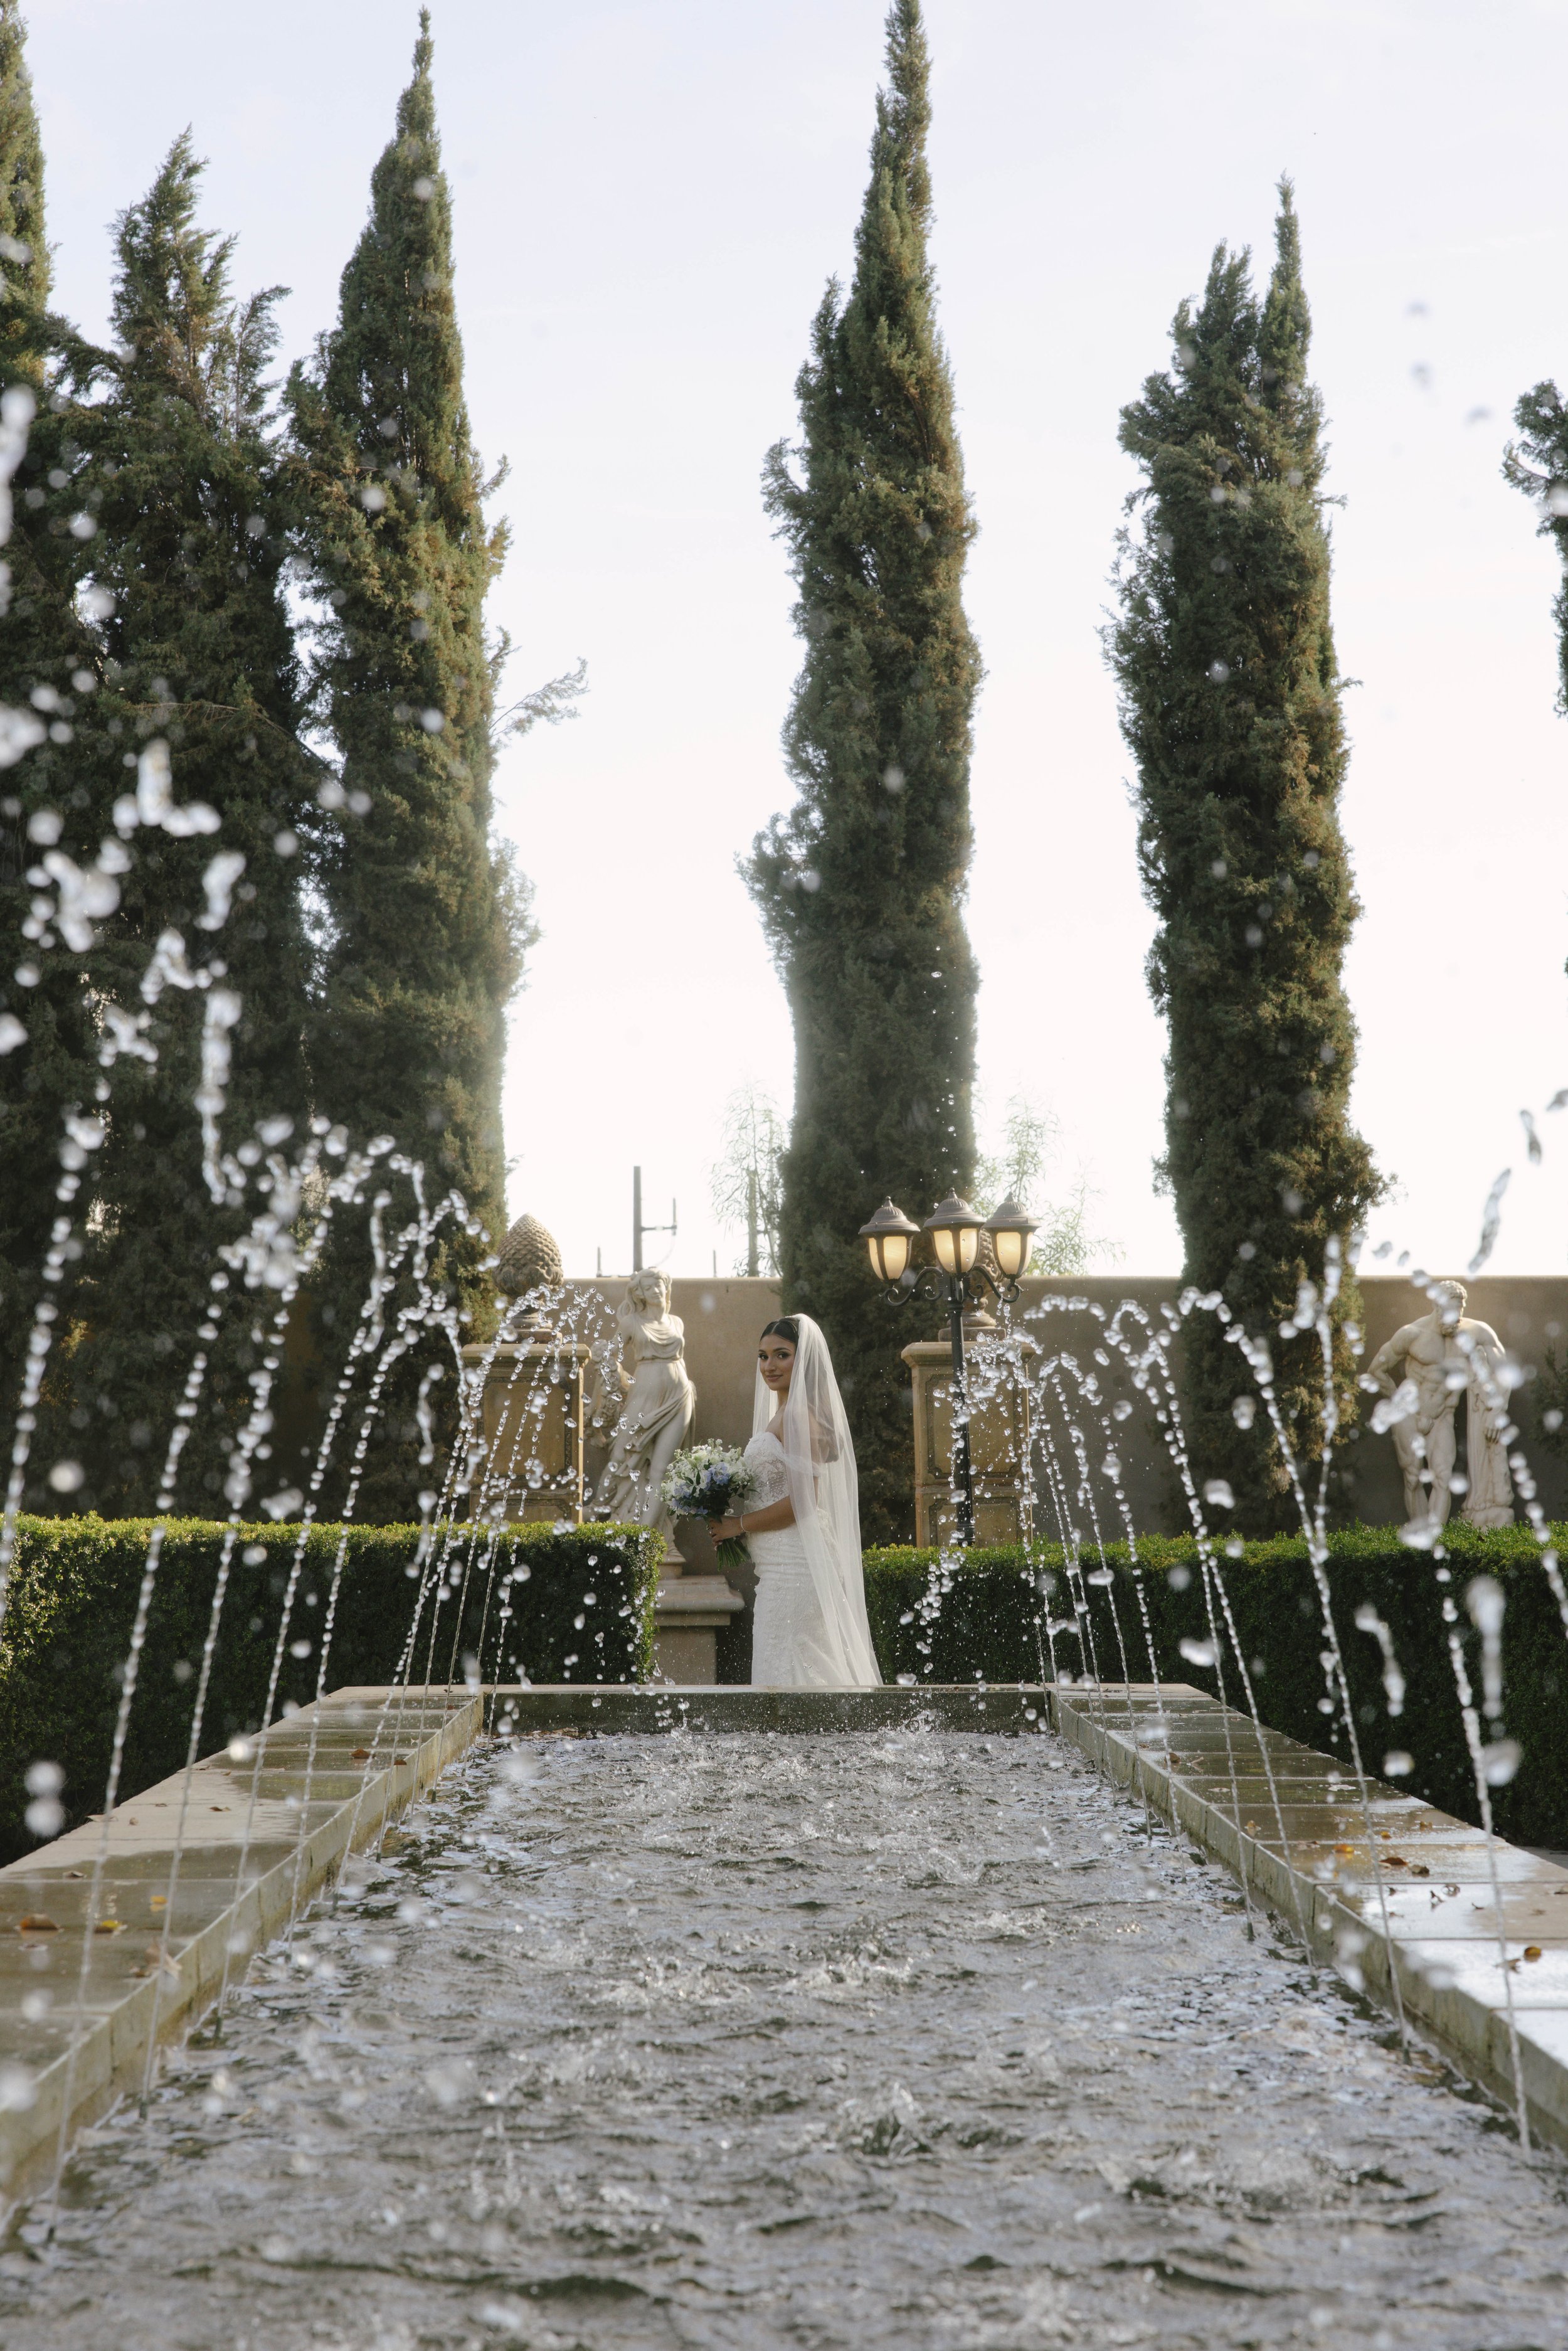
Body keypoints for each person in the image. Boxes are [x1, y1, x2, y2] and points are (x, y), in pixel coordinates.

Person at [709, 1314, 882, 1688]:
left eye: (781, 1355)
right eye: (763, 1356)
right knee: (786, 1663)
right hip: (777, 1565)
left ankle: (823, 1742)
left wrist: (735, 1526)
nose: (769, 1366)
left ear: (803, 1360)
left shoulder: (799, 1416)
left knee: (791, 1666)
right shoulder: (784, 1414)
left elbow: (802, 1503)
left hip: (796, 1566)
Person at [1366, 1278, 1513, 1531]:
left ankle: (1434, 1539)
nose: (1454, 1316)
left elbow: (1506, 1370)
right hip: (1410, 1415)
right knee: (1412, 1479)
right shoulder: (1412, 1334)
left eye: (1459, 1310)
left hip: (1442, 1415)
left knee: (1442, 1478)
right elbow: (1376, 1372)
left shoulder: (1475, 1332)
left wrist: (1496, 1411)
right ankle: (1420, 1538)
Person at [592, 1269, 697, 1555]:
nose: (656, 1291)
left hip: (679, 1396)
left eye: (660, 1285)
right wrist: (614, 1386)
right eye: (649, 1287)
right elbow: (608, 1357)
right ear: (639, 1293)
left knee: (662, 1471)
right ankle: (593, 1514)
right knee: (620, 1455)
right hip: (645, 1393)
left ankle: (645, 1542)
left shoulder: (677, 1323)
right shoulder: (631, 1322)